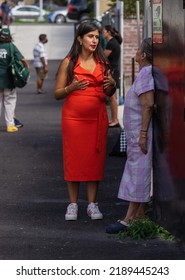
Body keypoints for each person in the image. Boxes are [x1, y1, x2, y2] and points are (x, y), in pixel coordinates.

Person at [55, 22, 116, 221]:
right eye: (90, 36)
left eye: (97, 37)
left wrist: (112, 86)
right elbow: (57, 93)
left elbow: (108, 92)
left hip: (96, 117)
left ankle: (92, 204)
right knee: (73, 159)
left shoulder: (102, 62)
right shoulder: (69, 62)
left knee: (94, 160)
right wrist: (71, 88)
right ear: (79, 39)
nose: (95, 40)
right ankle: (72, 204)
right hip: (73, 119)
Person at [106, 38, 154, 233]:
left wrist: (143, 134)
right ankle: (140, 214)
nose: (135, 52)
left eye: (137, 50)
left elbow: (148, 104)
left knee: (138, 172)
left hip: (140, 134)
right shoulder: (145, 73)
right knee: (137, 169)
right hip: (136, 133)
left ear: (142, 55)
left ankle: (129, 218)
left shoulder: (145, 75)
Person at [0, 27, 29, 132]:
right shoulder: (11, 47)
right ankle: (10, 125)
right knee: (9, 102)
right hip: (8, 80)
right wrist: (27, 69)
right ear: (9, 37)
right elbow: (22, 59)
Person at [102, 25, 122, 128]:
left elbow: (103, 57)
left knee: (112, 97)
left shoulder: (112, 43)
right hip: (113, 71)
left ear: (109, 32)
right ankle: (114, 119)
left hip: (112, 72)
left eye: (104, 31)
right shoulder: (112, 42)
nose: (102, 33)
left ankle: (115, 120)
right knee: (111, 97)